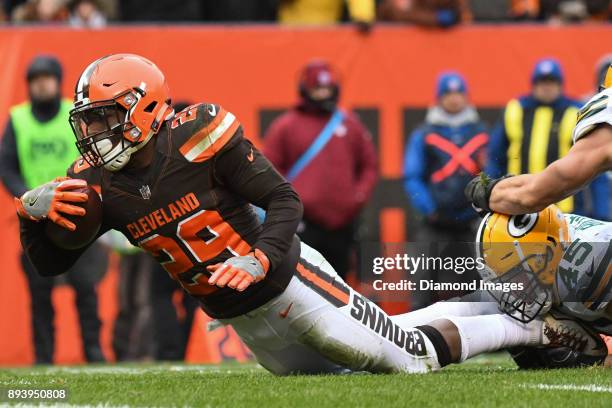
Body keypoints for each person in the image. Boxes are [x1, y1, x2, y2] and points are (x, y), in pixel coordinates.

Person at [15, 53, 585, 375]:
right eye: (87, 120)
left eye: (103, 117)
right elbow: (51, 265)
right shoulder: (93, 183)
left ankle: (534, 328)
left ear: (144, 107)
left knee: (406, 359)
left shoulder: (197, 136)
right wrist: (29, 220)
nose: (93, 132)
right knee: (354, 372)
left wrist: (261, 259)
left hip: (291, 280)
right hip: (242, 319)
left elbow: (285, 200)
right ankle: (504, 317)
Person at [394, 204, 612, 368]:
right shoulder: (551, 244)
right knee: (479, 303)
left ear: (544, 256)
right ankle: (378, 328)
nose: (511, 287)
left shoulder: (593, 267)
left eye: (514, 275)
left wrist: (601, 361)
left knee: (522, 323)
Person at [0, 55, 107, 364]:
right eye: (35, 79)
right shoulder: (18, 119)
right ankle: (44, 357)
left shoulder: (72, 115)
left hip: (76, 213)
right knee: (40, 295)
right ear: (29, 85)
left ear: (57, 81)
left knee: (86, 291)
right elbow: (7, 166)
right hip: (38, 220)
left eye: (46, 77)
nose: (41, 84)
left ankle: (94, 354)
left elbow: (92, 154)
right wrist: (31, 199)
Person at [264, 60, 377, 280]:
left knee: (340, 282)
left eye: (327, 88)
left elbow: (369, 165)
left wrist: (358, 196)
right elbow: (269, 168)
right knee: (302, 281)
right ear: (305, 89)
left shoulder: (350, 124)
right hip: (304, 222)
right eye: (317, 88)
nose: (323, 93)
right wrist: (289, 201)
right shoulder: (286, 125)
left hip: (343, 223)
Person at [466, 63, 612, 217]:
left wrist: (489, 193)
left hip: (560, 206)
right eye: (542, 82)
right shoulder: (516, 109)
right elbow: (496, 156)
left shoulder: (575, 111)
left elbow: (539, 192)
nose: (547, 87)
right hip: (525, 199)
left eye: (551, 82)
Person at [403, 72, 488, 306]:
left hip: (472, 222)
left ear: (466, 97)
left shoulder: (481, 132)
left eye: (459, 93)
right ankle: (416, 336)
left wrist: (482, 208)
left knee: (480, 286)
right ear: (439, 97)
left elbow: (491, 174)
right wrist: (429, 209)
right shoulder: (424, 133)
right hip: (434, 222)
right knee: (422, 284)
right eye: (448, 94)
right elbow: (412, 176)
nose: (454, 99)